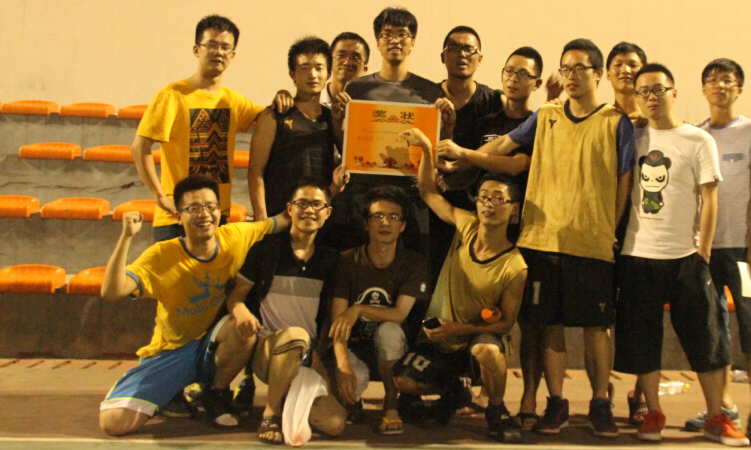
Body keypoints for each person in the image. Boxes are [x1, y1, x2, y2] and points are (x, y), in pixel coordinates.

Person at [474, 39, 634, 437]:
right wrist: (462, 155)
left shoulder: (616, 122)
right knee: (550, 327)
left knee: (597, 330)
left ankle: (600, 403)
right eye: (566, 69)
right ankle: (556, 402)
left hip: (592, 244)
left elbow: (624, 181)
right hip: (541, 243)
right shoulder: (546, 114)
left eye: (580, 68)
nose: (572, 76)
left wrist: (609, 229)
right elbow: (504, 145)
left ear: (598, 74)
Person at [614, 63, 748, 446]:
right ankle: (653, 412)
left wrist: (702, 251)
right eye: (643, 91)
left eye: (658, 89)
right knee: (643, 341)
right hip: (637, 256)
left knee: (707, 340)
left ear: (674, 93)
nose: (651, 97)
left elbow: (710, 198)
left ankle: (717, 416)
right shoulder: (632, 138)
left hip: (687, 258)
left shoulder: (698, 140)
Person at [98, 174, 288, 436]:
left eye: (210, 206)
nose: (205, 214)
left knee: (243, 329)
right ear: (179, 217)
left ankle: (215, 393)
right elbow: (111, 292)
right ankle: (166, 391)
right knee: (113, 423)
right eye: (194, 208)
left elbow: (280, 221)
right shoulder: (161, 255)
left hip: (211, 346)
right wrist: (126, 238)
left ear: (220, 211)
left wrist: (328, 193)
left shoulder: (236, 235)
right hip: (171, 352)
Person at [394, 128, 527, 443]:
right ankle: (455, 391)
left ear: (514, 209)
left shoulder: (515, 265)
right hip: (442, 340)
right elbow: (428, 192)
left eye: (498, 199)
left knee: (488, 350)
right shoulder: (466, 226)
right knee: (404, 381)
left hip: (474, 339)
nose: (489, 204)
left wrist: (458, 329)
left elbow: (505, 323)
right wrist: (426, 150)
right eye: (484, 197)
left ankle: (496, 410)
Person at [435, 45, 543, 428]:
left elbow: (516, 164)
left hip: (521, 234)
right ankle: (472, 388)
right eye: (509, 72)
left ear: (536, 83)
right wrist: (448, 171)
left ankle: (522, 398)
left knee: (522, 321)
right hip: (478, 232)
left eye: (523, 74)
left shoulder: (537, 124)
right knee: (476, 310)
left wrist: (465, 154)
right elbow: (464, 168)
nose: (514, 79)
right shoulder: (485, 120)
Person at [680, 58, 751, 449]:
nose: (719, 86)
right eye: (712, 80)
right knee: (714, 332)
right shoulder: (696, 135)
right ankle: (724, 409)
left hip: (744, 250)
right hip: (705, 250)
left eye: (727, 80)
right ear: (703, 89)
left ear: (739, 88)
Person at [225, 180, 347, 445]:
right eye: (302, 203)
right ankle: (271, 412)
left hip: (307, 355)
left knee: (335, 423)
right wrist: (242, 312)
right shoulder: (266, 249)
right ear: (290, 209)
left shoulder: (331, 259)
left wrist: (320, 352)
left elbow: (331, 316)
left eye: (317, 205)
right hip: (267, 350)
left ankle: (289, 400)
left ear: (328, 212)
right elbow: (236, 297)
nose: (309, 210)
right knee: (296, 336)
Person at [131, 15, 262, 242]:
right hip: (177, 219)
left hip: (216, 218)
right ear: (196, 49)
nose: (218, 52)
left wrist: (283, 97)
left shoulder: (233, 100)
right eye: (211, 45)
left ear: (232, 55)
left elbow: (270, 118)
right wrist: (159, 196)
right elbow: (139, 147)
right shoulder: (172, 95)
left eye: (225, 47)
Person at [339, 6, 456, 255]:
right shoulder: (357, 89)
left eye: (402, 34)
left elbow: (437, 148)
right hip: (365, 195)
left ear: (413, 43)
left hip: (412, 196)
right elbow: (346, 144)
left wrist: (448, 126)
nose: (394, 40)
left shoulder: (429, 92)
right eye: (387, 34)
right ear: (377, 42)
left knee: (411, 265)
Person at [329, 186, 429, 435]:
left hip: (393, 350)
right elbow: (338, 322)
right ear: (366, 224)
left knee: (390, 331)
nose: (385, 222)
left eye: (393, 217)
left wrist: (358, 309)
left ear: (403, 226)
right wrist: (343, 367)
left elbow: (399, 314)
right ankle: (354, 401)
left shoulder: (414, 262)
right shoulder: (347, 260)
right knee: (348, 391)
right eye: (377, 216)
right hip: (355, 348)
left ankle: (391, 404)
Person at [433, 25, 505, 278]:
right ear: (443, 57)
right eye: (454, 48)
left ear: (480, 58)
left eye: (469, 49)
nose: (462, 54)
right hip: (433, 205)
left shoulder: (495, 101)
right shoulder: (426, 97)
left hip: (479, 207)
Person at [247, 36, 340, 221]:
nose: (313, 75)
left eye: (319, 68)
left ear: (329, 74)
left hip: (317, 220)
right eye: (304, 68)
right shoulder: (274, 115)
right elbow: (255, 171)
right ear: (292, 74)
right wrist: (262, 220)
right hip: (278, 217)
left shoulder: (332, 118)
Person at [605, 41, 650, 425]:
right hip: (604, 227)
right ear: (606, 74)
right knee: (601, 315)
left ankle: (641, 393)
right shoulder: (599, 119)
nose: (625, 70)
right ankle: (602, 387)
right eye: (617, 64)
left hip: (646, 231)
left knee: (639, 315)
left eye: (632, 64)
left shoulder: (657, 123)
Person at [321, 32, 370, 109]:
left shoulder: (368, 106)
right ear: (330, 62)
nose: (347, 62)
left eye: (356, 58)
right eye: (341, 55)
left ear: (364, 69)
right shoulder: (312, 100)